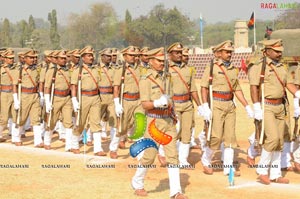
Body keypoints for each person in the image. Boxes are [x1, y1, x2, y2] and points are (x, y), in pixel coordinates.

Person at [131, 47, 188, 199]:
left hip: (168, 120)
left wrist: (172, 112)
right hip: (154, 121)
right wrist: (156, 103)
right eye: (159, 61)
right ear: (150, 61)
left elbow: (171, 98)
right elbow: (144, 104)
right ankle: (137, 182)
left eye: (164, 61)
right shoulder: (145, 79)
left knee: (172, 156)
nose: (162, 64)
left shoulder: (168, 77)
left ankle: (175, 192)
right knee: (149, 156)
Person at [248, 39, 300, 184]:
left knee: (279, 141)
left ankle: (275, 174)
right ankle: (262, 170)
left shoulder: (281, 66)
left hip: (280, 106)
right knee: (272, 138)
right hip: (267, 106)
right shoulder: (259, 66)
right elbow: (254, 87)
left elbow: (288, 83)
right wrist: (256, 106)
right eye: (276, 51)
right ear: (267, 51)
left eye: (280, 51)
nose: (279, 53)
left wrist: (297, 94)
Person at [200, 40, 253, 176]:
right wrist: (205, 105)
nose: (229, 54)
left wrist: (247, 106)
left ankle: (228, 167)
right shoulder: (212, 67)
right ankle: (206, 160)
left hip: (230, 104)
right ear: (219, 53)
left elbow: (237, 89)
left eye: (230, 52)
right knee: (216, 136)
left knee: (230, 137)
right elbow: (204, 87)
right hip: (216, 104)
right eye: (226, 52)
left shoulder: (233, 69)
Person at [167, 42, 203, 168]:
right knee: (174, 132)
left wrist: (200, 105)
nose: (179, 55)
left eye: (180, 52)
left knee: (187, 132)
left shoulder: (188, 69)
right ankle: (165, 154)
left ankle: (183, 160)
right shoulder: (166, 69)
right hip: (173, 105)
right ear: (170, 54)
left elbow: (193, 89)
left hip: (187, 104)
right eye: (176, 52)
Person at [71, 46, 104, 155]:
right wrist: (74, 100)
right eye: (89, 55)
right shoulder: (78, 70)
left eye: (92, 55)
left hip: (95, 98)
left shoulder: (96, 69)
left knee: (96, 122)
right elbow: (73, 86)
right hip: (83, 98)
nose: (91, 57)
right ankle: (74, 145)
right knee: (80, 122)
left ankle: (98, 149)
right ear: (83, 58)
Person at [113, 46, 144, 153]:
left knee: (140, 124)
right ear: (125, 56)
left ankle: (139, 150)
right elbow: (116, 87)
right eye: (131, 55)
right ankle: (113, 148)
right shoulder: (121, 69)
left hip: (138, 101)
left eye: (135, 56)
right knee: (122, 127)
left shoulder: (139, 68)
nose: (133, 57)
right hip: (126, 100)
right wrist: (117, 103)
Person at [11, 50, 43, 147]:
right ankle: (16, 137)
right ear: (24, 59)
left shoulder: (37, 69)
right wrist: (16, 99)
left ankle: (38, 141)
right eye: (30, 57)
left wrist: (41, 96)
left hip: (34, 95)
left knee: (36, 119)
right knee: (21, 118)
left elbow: (39, 82)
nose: (33, 59)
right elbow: (14, 85)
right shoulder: (19, 70)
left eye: (34, 58)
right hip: (24, 95)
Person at [43, 50, 73, 151]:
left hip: (67, 98)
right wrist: (47, 102)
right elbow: (47, 87)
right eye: (62, 58)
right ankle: (47, 141)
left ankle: (69, 145)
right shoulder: (52, 70)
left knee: (68, 122)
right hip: (55, 98)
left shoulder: (68, 70)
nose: (64, 60)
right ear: (56, 59)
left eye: (65, 58)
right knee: (52, 120)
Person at [97, 48, 118, 159]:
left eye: (111, 56)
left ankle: (113, 149)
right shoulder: (96, 68)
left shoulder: (115, 68)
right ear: (102, 57)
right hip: (99, 96)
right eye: (107, 56)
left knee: (114, 122)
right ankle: (95, 145)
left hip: (111, 97)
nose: (109, 58)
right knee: (96, 121)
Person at [0, 49, 18, 142]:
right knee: (4, 117)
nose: (11, 60)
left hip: (14, 93)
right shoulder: (1, 69)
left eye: (12, 58)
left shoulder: (16, 68)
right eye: (9, 58)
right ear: (5, 59)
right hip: (4, 94)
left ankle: (15, 138)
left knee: (15, 116)